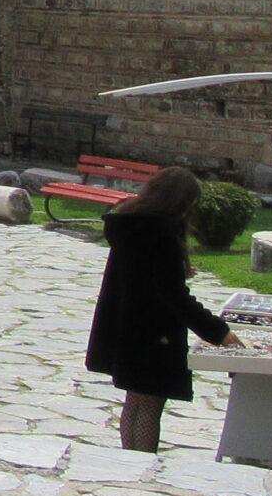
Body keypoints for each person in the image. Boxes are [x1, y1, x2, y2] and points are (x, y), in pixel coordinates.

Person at [84, 166, 239, 452]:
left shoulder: (130, 224)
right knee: (149, 405)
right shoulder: (160, 235)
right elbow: (175, 296)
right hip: (154, 333)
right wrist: (219, 332)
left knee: (134, 402)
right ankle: (141, 461)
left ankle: (130, 460)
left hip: (127, 326)